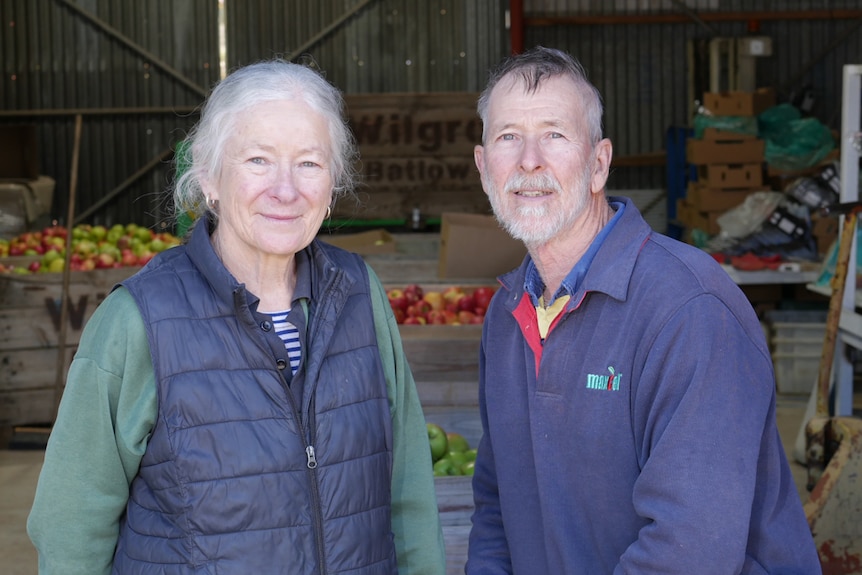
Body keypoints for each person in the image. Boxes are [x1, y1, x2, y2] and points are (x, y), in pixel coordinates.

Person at [27, 59, 446, 575]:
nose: (286, 189)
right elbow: (71, 527)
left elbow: (407, 491)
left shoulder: (360, 294)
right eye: (258, 160)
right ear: (208, 176)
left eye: (309, 163)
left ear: (333, 181)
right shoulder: (137, 320)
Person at [465, 46, 822, 574]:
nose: (529, 160)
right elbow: (497, 506)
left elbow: (688, 549)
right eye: (508, 136)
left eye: (554, 134)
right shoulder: (507, 314)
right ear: (483, 167)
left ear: (599, 164)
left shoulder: (690, 311)